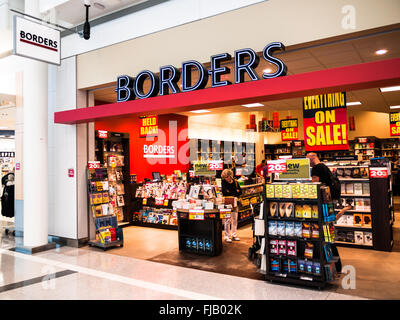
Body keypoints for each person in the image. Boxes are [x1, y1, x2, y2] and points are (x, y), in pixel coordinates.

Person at [306, 152, 351, 274]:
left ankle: (326, 266)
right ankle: (335, 265)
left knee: (320, 233)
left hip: (320, 203)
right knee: (328, 231)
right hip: (328, 202)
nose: (307, 162)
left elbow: (315, 185)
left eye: (307, 159)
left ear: (312, 158)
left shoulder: (316, 168)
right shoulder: (324, 166)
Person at [221, 169, 242, 243]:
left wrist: (231, 192)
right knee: (227, 220)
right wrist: (234, 192)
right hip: (227, 202)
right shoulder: (223, 182)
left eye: (227, 177)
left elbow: (240, 192)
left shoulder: (235, 182)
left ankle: (234, 234)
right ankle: (226, 236)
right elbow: (224, 192)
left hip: (235, 202)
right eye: (224, 177)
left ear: (230, 176)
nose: (226, 178)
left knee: (235, 219)